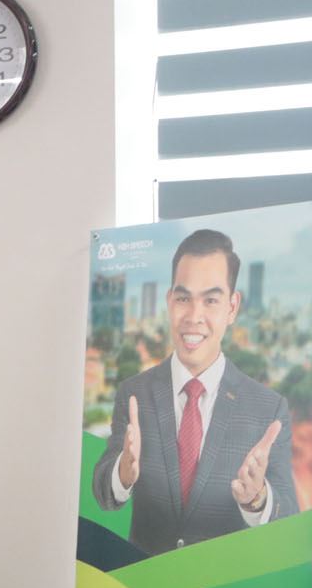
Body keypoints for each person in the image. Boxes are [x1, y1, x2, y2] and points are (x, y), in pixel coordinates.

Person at [91, 228, 297, 556]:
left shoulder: (267, 409)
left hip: (224, 585)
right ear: (169, 301)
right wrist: (122, 474)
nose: (193, 317)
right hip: (143, 583)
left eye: (211, 300)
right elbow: (103, 493)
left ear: (232, 307)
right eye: (183, 298)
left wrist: (258, 499)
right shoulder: (134, 394)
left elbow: (289, 518)